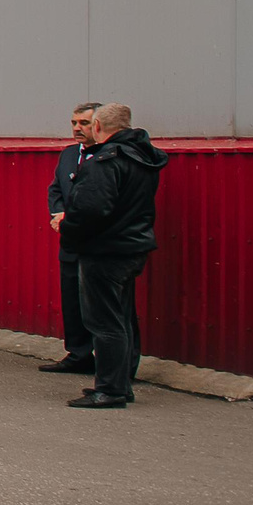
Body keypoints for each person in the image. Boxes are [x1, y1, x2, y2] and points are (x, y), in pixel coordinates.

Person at [58, 103, 169, 409]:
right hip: (133, 246)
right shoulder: (142, 157)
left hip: (104, 250)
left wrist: (67, 228)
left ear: (97, 127)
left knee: (104, 322)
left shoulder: (104, 161)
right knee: (121, 317)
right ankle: (121, 383)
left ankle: (110, 389)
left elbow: (91, 209)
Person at [40, 102, 104, 377]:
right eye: (74, 123)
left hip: (98, 242)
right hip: (70, 240)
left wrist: (71, 216)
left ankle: (116, 365)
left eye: (84, 123)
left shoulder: (108, 156)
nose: (77, 128)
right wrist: (58, 213)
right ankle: (79, 355)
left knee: (103, 305)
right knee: (72, 299)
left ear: (98, 125)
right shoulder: (68, 154)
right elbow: (56, 189)